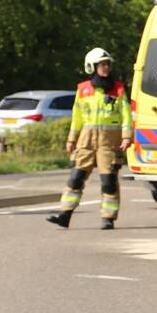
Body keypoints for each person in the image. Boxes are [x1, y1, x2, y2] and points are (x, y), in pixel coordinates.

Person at [47, 48, 132, 230]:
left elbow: (126, 115)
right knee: (75, 178)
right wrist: (71, 140)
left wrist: (126, 137)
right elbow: (76, 117)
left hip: (108, 142)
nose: (105, 67)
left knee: (108, 181)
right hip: (86, 141)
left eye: (107, 64)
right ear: (92, 67)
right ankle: (65, 214)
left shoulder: (118, 89)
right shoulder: (83, 89)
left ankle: (108, 218)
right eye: (102, 64)